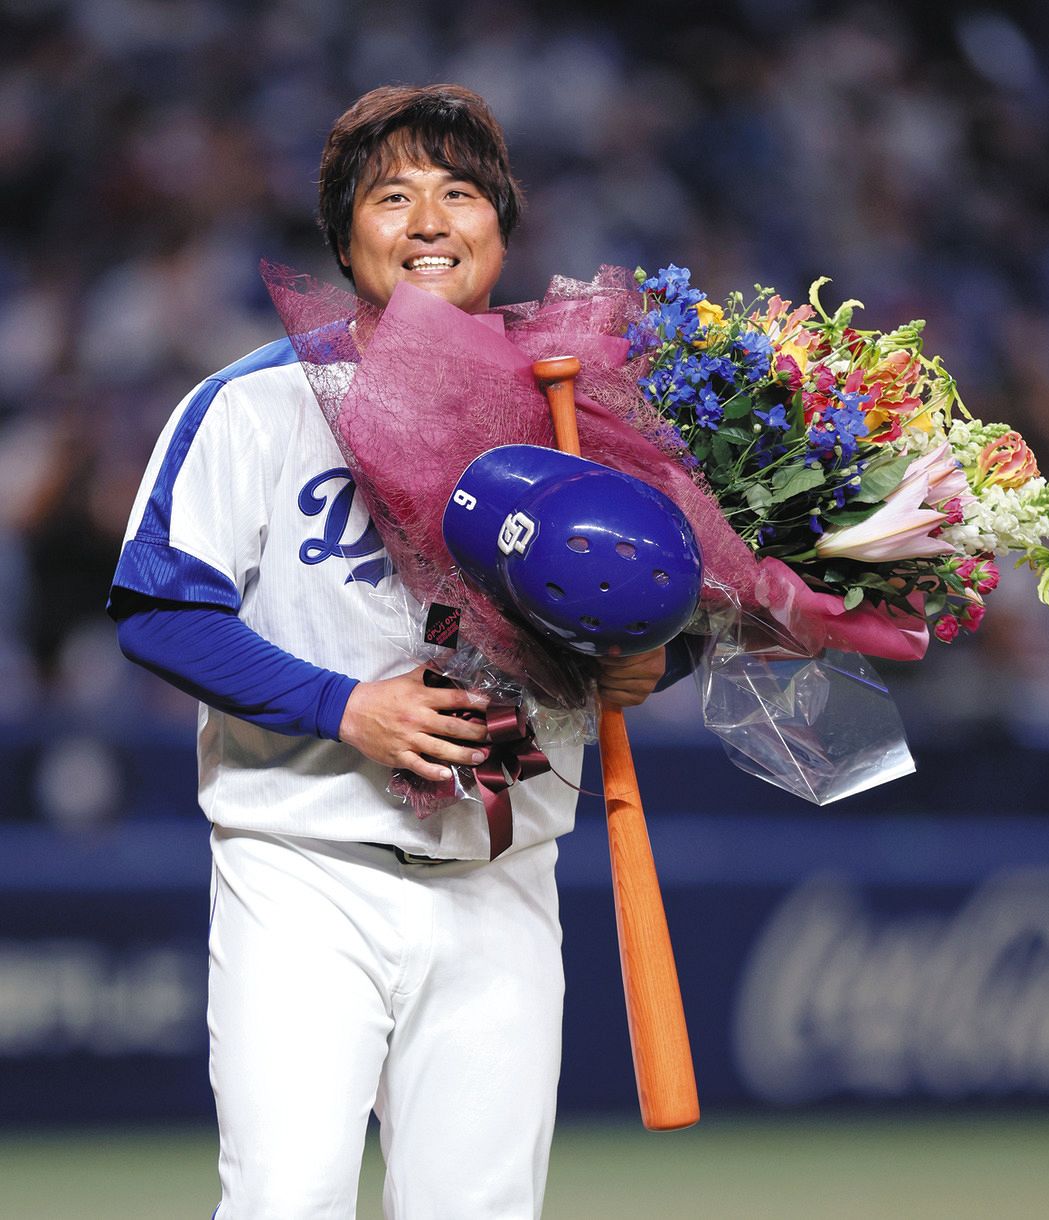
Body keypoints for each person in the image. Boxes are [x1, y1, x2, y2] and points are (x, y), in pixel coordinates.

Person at [109, 84, 680, 1219]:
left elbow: (655, 607)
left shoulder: (574, 414)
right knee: (286, 1200)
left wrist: (656, 663)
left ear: (501, 231)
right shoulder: (257, 401)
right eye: (391, 196)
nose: (428, 220)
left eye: (458, 193)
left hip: (500, 876)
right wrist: (341, 706)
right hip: (303, 867)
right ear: (340, 238)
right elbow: (160, 607)